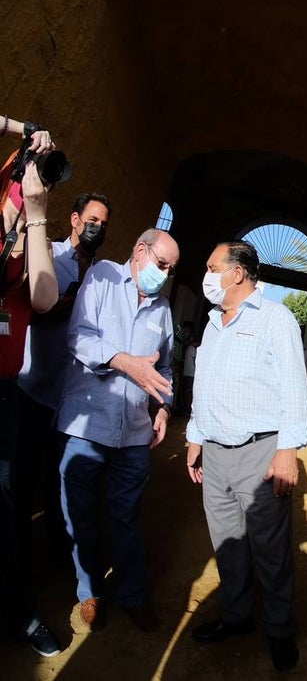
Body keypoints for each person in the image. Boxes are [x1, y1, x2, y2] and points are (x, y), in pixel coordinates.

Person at [185, 240, 307, 672]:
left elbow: (295, 389)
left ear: (236, 273)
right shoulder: (213, 324)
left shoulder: (276, 319)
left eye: (212, 266)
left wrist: (287, 452)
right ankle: (237, 617)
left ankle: (279, 629)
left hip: (259, 452)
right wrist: (195, 436)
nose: (207, 275)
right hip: (215, 453)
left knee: (270, 549)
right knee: (228, 545)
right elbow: (203, 384)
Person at [56, 228, 178, 634]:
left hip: (135, 433)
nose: (165, 274)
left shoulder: (163, 309)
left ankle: (132, 595)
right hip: (86, 425)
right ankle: (89, 592)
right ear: (139, 250)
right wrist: (125, 361)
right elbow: (79, 337)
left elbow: (164, 370)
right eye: (162, 264)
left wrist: (164, 409)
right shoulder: (103, 277)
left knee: (127, 516)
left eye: (171, 269)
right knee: (82, 516)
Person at [18, 192, 111, 562]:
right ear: (74, 220)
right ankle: (17, 555)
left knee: (63, 483)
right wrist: (69, 304)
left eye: (104, 224)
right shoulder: (51, 255)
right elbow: (33, 310)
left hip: (73, 401)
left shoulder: (104, 275)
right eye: (92, 221)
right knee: (22, 481)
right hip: (33, 390)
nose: (98, 228)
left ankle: (60, 553)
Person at [0, 118, 62, 657]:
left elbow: (43, 299)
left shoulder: (26, 239)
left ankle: (19, 614)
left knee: (10, 512)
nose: (27, 196)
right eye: (22, 187)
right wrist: (20, 127)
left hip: (3, 397)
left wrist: (37, 219)